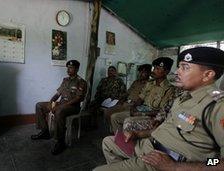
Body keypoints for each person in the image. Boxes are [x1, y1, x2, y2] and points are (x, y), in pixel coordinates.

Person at [94, 47, 224, 171]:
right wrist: (138, 134)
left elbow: (218, 162)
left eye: (185, 67)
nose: (177, 71)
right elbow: (165, 127)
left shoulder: (217, 106)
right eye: (179, 66)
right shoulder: (183, 97)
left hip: (168, 162)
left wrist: (176, 167)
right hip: (149, 145)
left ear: (207, 75)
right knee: (108, 142)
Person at [31, 60, 87, 155]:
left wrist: (60, 106)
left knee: (59, 111)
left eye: (71, 68)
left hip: (73, 107)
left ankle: (60, 141)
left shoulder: (81, 82)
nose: (68, 70)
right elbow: (58, 94)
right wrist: (51, 101)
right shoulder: (65, 80)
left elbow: (78, 99)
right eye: (67, 68)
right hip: (61, 104)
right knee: (39, 105)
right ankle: (45, 131)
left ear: (77, 69)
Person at [110, 57, 175, 132]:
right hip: (140, 110)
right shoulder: (150, 83)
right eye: (154, 68)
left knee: (128, 121)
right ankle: (120, 139)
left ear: (166, 71)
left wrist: (141, 113)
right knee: (114, 117)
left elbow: (162, 111)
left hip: (151, 116)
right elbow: (141, 98)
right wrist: (134, 107)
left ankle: (129, 140)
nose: (154, 71)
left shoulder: (169, 89)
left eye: (157, 69)